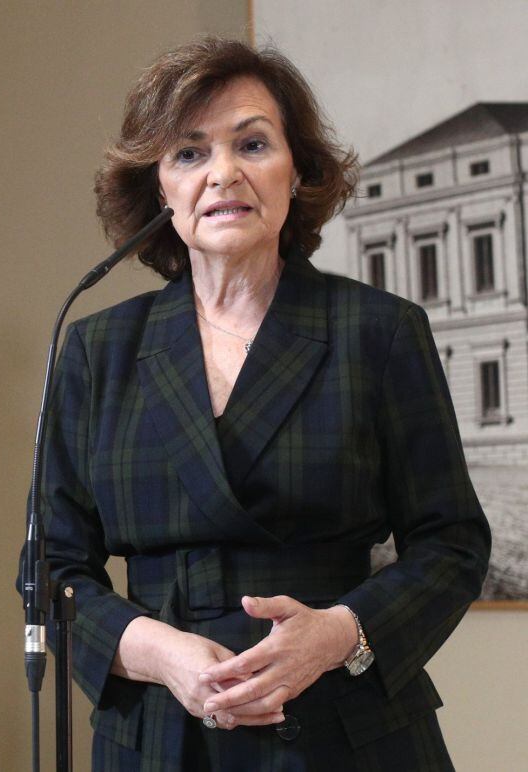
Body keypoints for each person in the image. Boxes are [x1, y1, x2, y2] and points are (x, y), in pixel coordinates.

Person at [34, 38, 491, 770]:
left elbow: (453, 544)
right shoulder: (98, 349)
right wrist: (158, 654)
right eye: (188, 153)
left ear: (296, 171)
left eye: (252, 143)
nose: (223, 173)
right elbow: (53, 570)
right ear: (159, 190)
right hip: (160, 731)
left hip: (342, 726)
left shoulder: (378, 332)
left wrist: (340, 633)